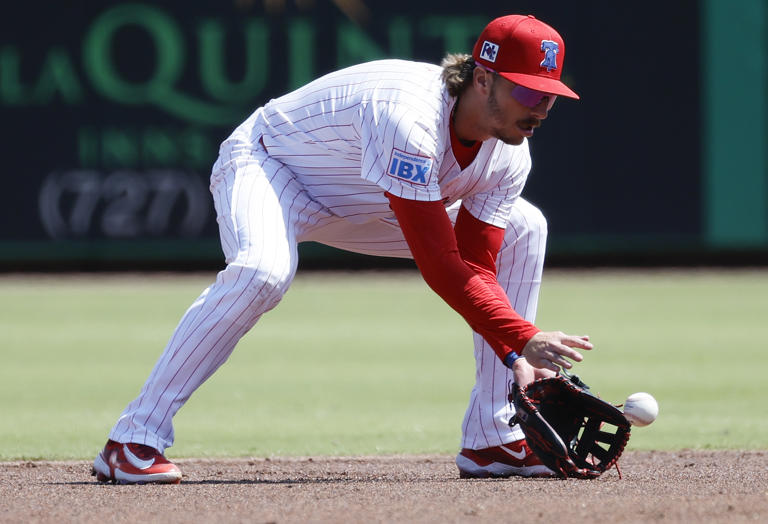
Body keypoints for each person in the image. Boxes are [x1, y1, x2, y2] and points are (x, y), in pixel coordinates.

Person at [92, 13, 593, 484]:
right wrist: (522, 336)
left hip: (369, 200)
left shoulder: (509, 156)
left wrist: (513, 353)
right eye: (529, 91)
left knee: (525, 226)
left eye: (551, 96)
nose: (541, 109)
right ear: (482, 79)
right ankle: (133, 439)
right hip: (272, 168)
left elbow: (476, 263)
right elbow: (441, 266)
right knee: (263, 272)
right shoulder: (411, 118)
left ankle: (492, 439)